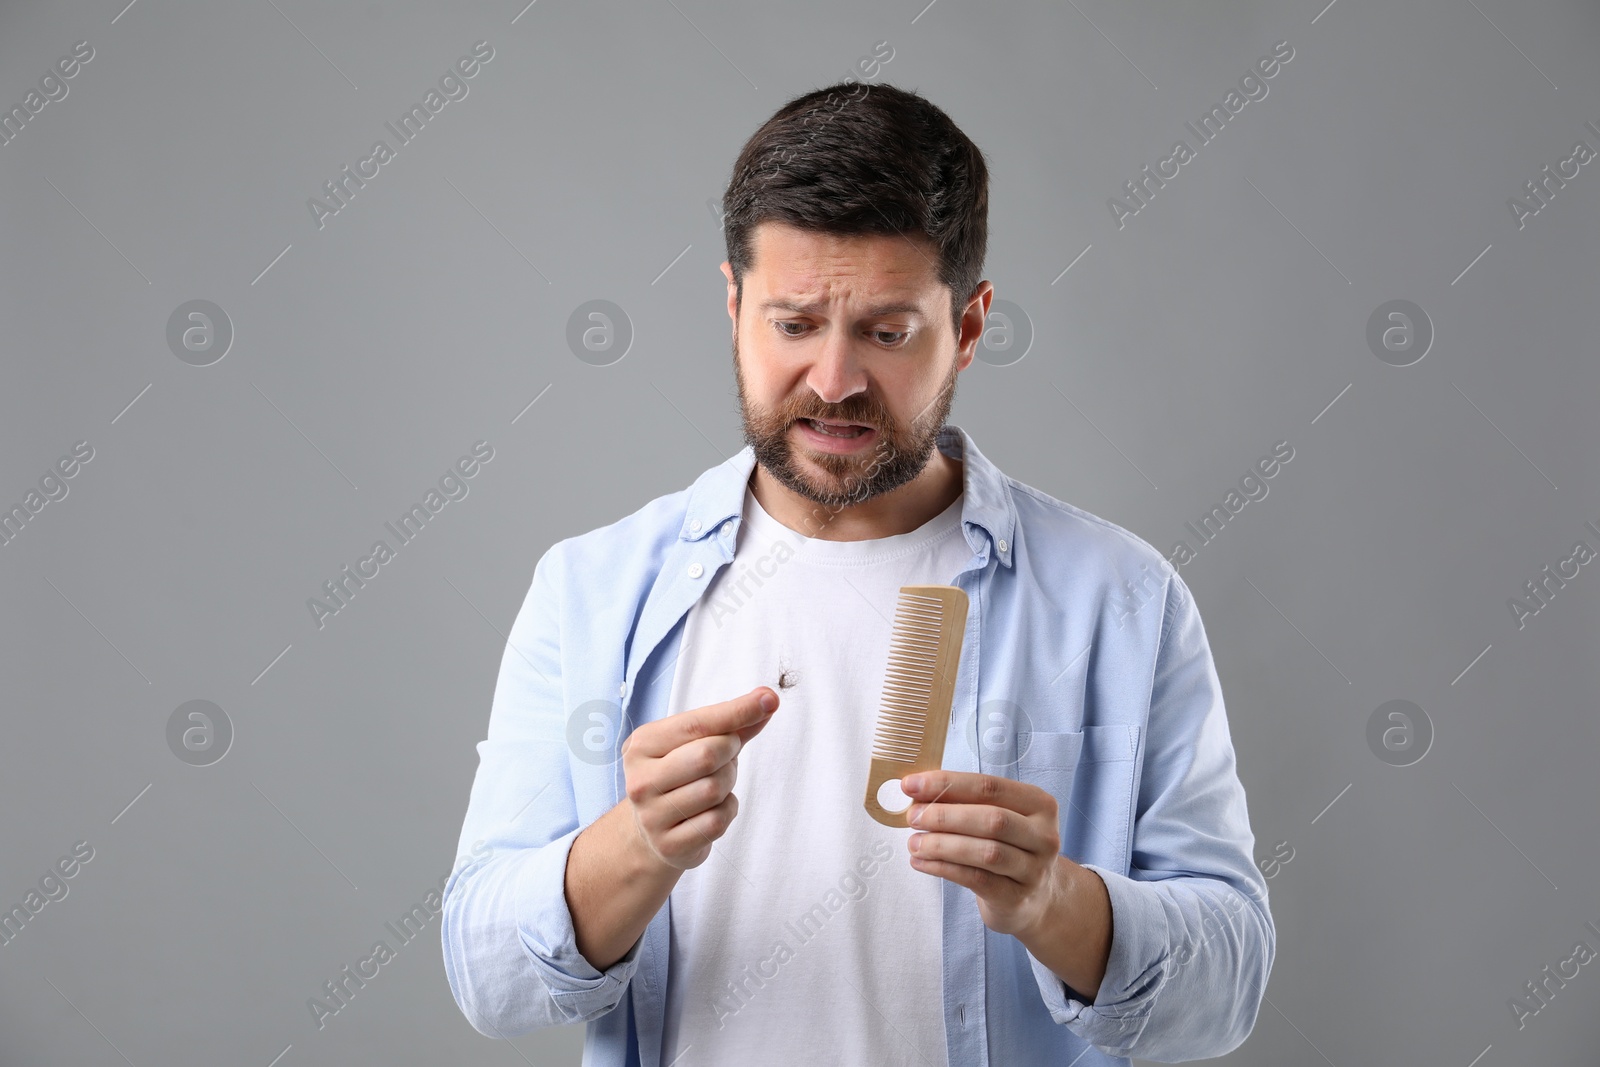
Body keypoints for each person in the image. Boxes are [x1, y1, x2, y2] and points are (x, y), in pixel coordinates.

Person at [442, 80, 1274, 1066]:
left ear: (967, 326)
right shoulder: (590, 591)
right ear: (733, 305)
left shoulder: (1121, 600)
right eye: (794, 323)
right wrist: (637, 845)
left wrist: (1057, 901)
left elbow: (1229, 989)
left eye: (885, 331)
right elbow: (483, 976)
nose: (833, 378)